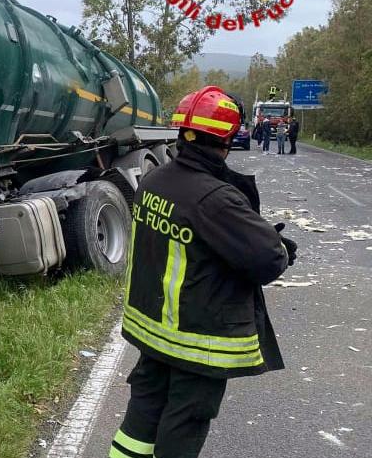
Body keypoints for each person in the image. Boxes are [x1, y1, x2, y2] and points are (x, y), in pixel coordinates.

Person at [109, 86, 298, 458]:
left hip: (154, 329)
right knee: (187, 419)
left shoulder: (153, 181)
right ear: (226, 138)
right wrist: (280, 248)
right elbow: (267, 260)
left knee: (144, 410)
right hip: (196, 337)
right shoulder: (216, 198)